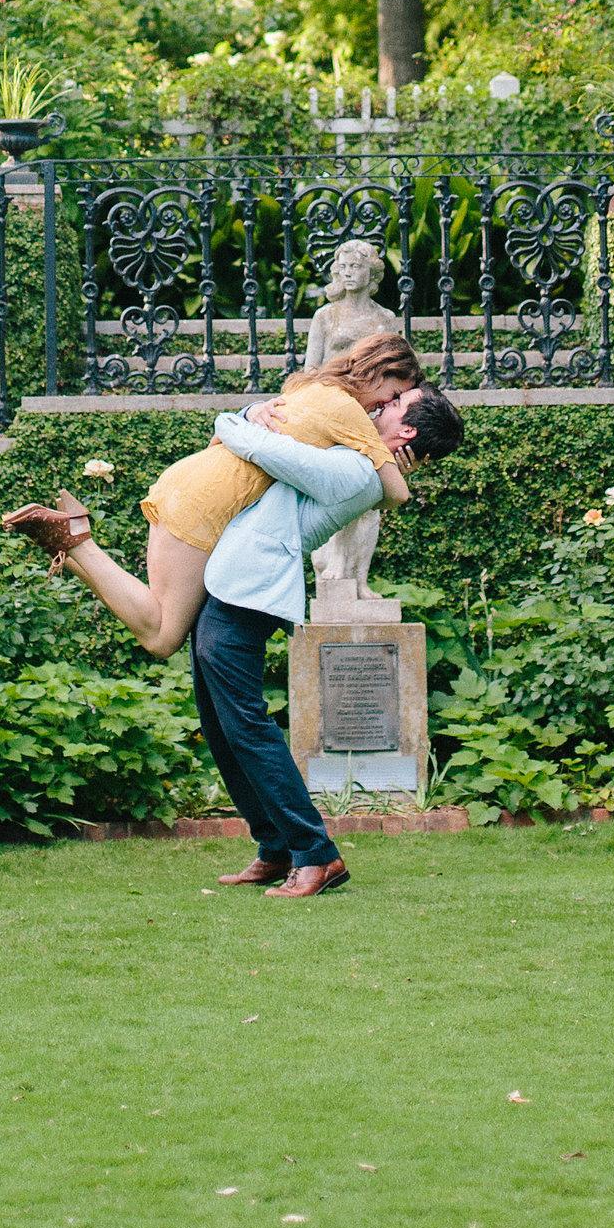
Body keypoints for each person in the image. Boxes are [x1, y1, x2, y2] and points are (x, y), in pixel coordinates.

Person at [184, 384, 463, 897]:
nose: (383, 403)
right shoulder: (358, 456)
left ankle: (316, 854)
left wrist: (231, 420)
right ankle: (275, 847)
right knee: (220, 721)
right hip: (234, 579)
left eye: (397, 404)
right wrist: (252, 411)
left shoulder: (358, 471)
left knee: (243, 722)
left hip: (250, 586)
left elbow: (266, 447)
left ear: (407, 431)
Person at [0, 333, 423, 659]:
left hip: (194, 482)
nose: (383, 408)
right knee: (162, 636)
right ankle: (77, 539)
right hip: (208, 503)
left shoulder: (309, 386)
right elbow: (395, 494)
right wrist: (401, 465)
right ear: (379, 373)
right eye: (392, 395)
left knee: (157, 619)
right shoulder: (350, 412)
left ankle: (68, 544)